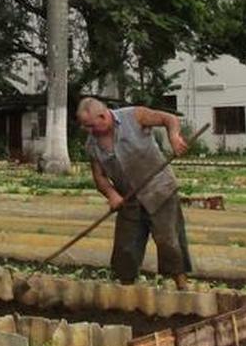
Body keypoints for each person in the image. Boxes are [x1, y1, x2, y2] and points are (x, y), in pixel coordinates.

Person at [76, 98, 192, 289]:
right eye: (85, 127)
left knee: (168, 240)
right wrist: (112, 195)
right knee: (125, 247)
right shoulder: (92, 145)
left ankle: (182, 285)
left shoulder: (134, 116)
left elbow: (169, 118)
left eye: (90, 126)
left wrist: (174, 137)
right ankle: (126, 287)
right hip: (128, 197)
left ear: (103, 117)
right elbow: (100, 177)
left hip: (159, 189)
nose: (88, 131)